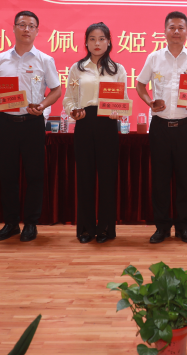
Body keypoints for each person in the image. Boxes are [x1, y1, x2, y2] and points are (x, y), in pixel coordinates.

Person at [0, 11, 61, 242]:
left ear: (37, 31)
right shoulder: (0, 58)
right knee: (7, 174)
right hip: (6, 123)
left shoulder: (45, 60)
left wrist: (43, 105)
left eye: (31, 26)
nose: (26, 29)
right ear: (14, 28)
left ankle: (30, 223)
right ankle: (10, 223)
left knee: (34, 175)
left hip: (32, 123)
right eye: (22, 24)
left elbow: (56, 90)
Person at [136, 11, 187, 245]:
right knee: (160, 180)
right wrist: (149, 102)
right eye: (172, 27)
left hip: (186, 126)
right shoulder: (154, 57)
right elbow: (140, 85)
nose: (176, 32)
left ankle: (184, 227)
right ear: (165, 31)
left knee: (185, 180)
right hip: (160, 126)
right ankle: (162, 227)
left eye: (180, 28)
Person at [63, 22, 125, 244]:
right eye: (92, 39)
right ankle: (86, 228)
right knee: (85, 177)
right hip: (85, 123)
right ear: (86, 42)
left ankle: (106, 228)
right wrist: (73, 111)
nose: (97, 43)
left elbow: (123, 101)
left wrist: (119, 111)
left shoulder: (118, 70)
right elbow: (69, 98)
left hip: (108, 125)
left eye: (101, 39)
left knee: (108, 178)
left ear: (109, 42)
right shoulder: (77, 68)